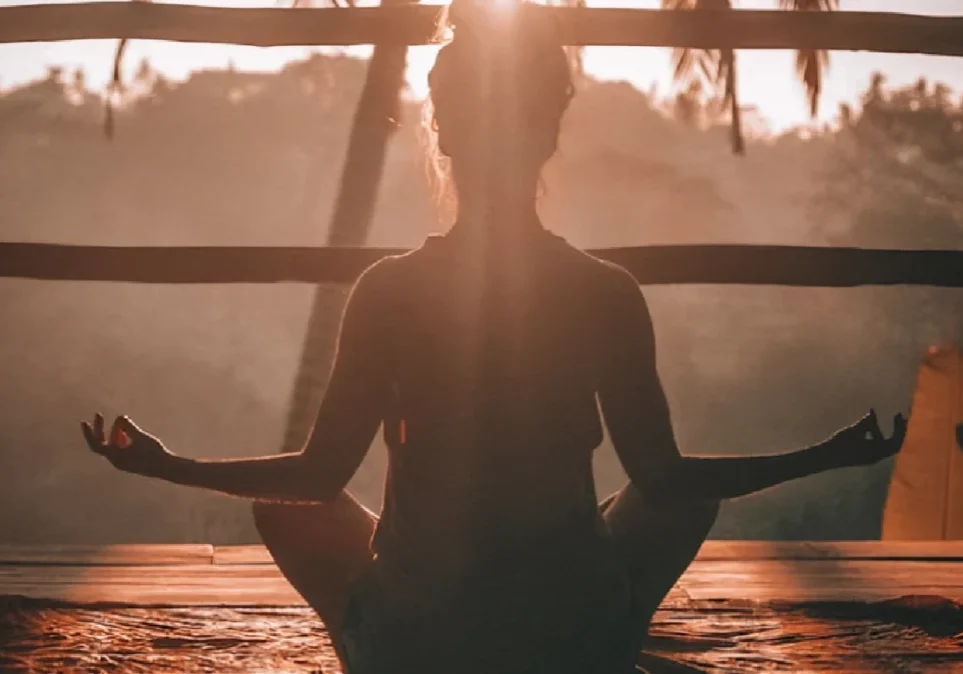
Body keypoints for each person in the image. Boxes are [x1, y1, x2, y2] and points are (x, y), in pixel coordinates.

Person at [81, 2, 907, 672]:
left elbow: (317, 475)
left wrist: (168, 464)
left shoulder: (390, 290)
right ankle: (608, 646)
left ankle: (373, 653)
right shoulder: (602, 292)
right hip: (568, 635)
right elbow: (663, 476)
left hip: (423, 641)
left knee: (285, 509)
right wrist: (825, 455)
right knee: (679, 500)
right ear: (549, 131)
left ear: (440, 129)